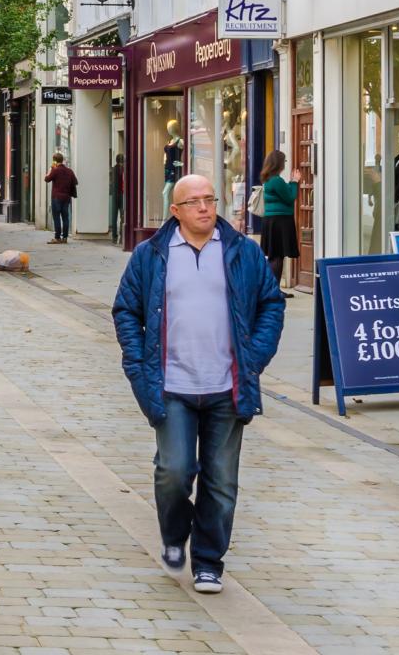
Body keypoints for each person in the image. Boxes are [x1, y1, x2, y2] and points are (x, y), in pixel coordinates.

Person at [111, 174, 286, 596]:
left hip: (228, 386)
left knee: (221, 481)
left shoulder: (242, 252)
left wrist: (254, 358)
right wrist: (138, 367)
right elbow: (125, 311)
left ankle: (208, 561)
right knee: (174, 471)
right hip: (171, 384)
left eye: (210, 199)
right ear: (176, 211)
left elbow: (271, 305)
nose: (205, 208)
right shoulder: (151, 255)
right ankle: (174, 534)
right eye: (194, 202)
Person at [259, 150, 300, 285]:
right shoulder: (277, 180)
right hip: (280, 221)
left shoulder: (268, 179)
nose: (284, 164)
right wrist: (294, 182)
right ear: (279, 163)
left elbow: (282, 194)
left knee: (275, 256)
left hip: (271, 220)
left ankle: (273, 289)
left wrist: (290, 184)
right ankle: (273, 290)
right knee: (277, 256)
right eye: (284, 161)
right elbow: (290, 197)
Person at [44, 153, 78, 244]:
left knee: (57, 218)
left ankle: (57, 237)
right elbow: (75, 182)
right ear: (62, 160)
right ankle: (65, 238)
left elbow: (46, 179)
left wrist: (50, 169)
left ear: (54, 161)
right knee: (65, 217)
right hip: (66, 198)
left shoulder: (55, 170)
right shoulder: (69, 171)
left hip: (56, 197)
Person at [110, 154, 127, 241]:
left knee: (114, 216)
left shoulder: (113, 169)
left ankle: (114, 237)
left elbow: (112, 182)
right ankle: (122, 236)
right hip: (123, 194)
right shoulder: (125, 169)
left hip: (115, 195)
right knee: (123, 216)